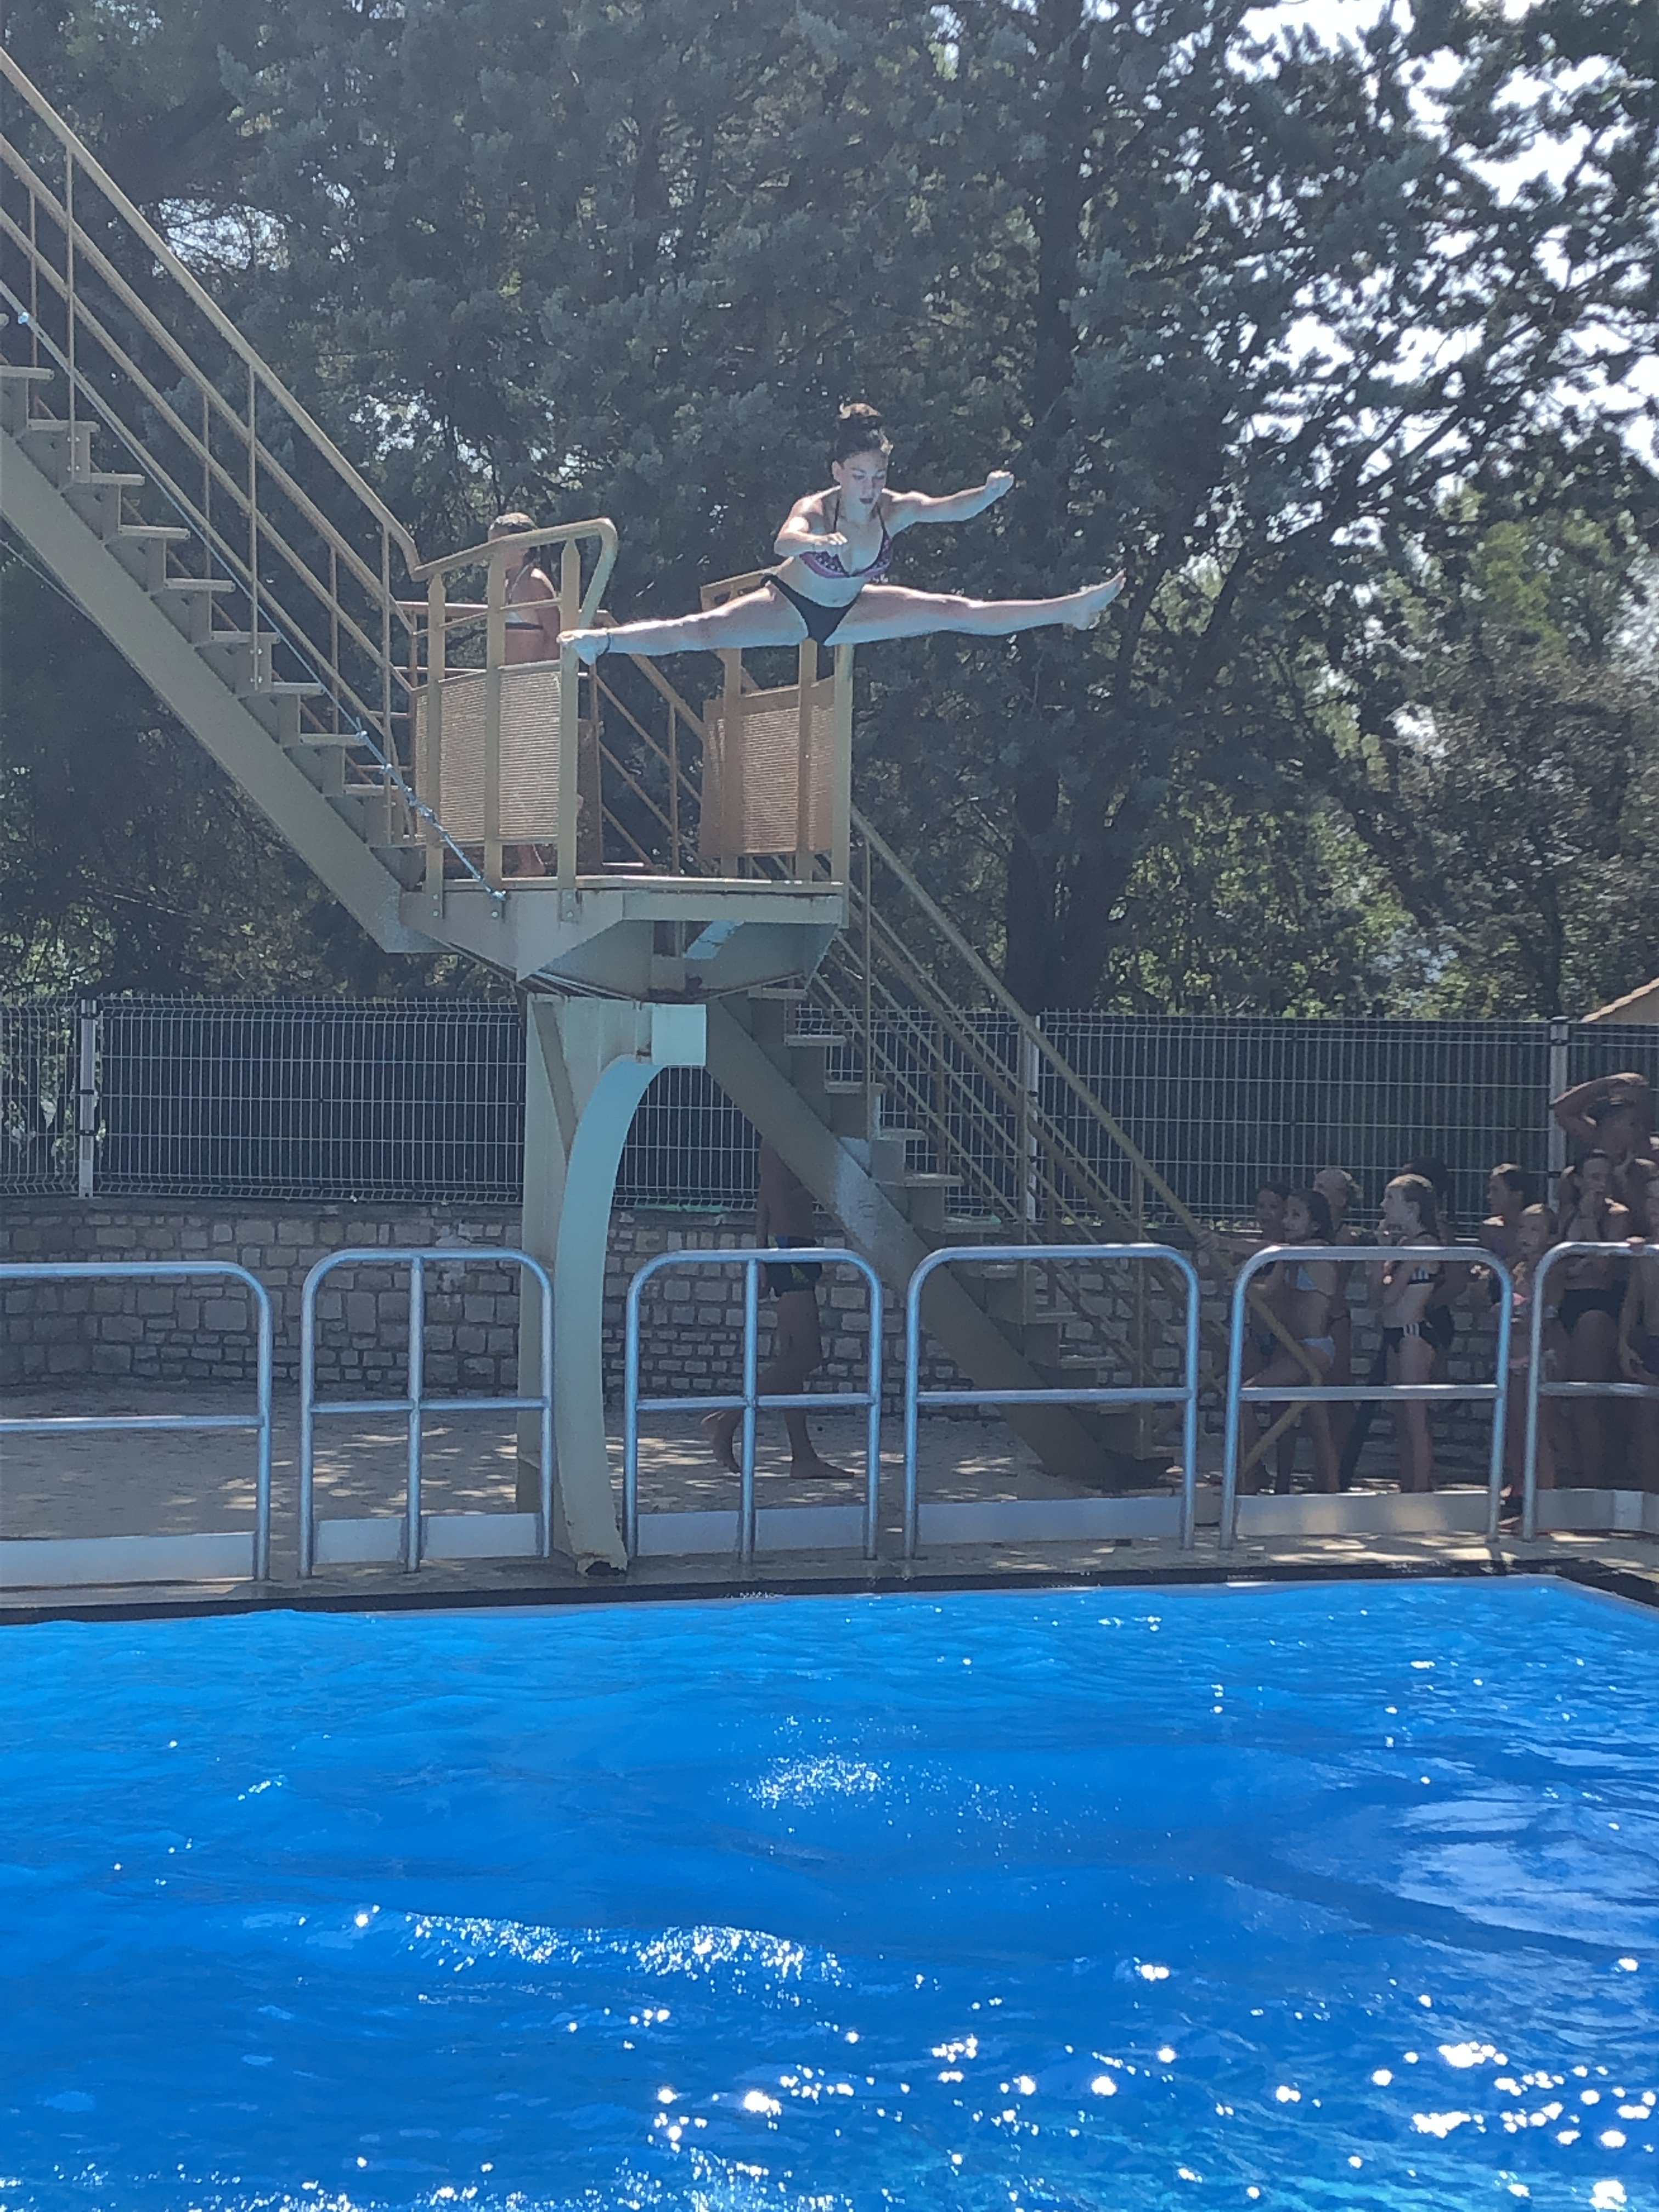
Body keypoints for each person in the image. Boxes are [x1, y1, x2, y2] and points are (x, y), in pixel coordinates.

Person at [561, 403, 1125, 662]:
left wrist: (987, 494)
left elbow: (949, 509)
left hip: (853, 612)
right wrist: (813, 543)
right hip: (789, 606)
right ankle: (605, 643)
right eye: (859, 476)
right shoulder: (817, 507)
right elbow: (784, 542)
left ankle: (1070, 609)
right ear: (838, 472)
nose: (870, 487)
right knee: (702, 631)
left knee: (956, 611)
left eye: (877, 476)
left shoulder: (894, 509)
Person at [704, 1140, 850, 1481]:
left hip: (789, 1246)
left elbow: (765, 1196)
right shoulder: (781, 1136)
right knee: (808, 1355)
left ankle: (803, 1456)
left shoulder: (784, 1134)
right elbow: (777, 1191)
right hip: (790, 1248)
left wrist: (762, 1254)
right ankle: (728, 1419)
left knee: (790, 1358)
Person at [1243, 1187, 1342, 1494]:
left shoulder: (1317, 1249)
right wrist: (1238, 1279)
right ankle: (1330, 1489)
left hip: (1314, 1348)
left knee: (1244, 1395)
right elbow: (1267, 1290)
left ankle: (1247, 1477)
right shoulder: (1288, 1255)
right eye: (1286, 1214)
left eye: (1296, 1216)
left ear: (1316, 1224)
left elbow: (1265, 1247)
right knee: (1317, 1423)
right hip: (1294, 1347)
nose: (1286, 1221)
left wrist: (1222, 1242)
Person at [1555, 1149, 1632, 1483]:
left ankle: (1595, 1481)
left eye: (1607, 1177)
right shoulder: (1568, 1213)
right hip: (1564, 1304)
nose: (1601, 1185)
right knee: (1552, 1396)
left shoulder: (1616, 1216)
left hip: (1597, 1306)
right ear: (1578, 1181)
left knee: (1588, 1398)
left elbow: (1604, 1268)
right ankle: (1574, 1470)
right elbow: (1558, 1264)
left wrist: (1589, 1222)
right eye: (1594, 1177)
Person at [1375, 1172, 1447, 1494]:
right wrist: (1383, 1251)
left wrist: (1386, 1263)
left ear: (1413, 1207)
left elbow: (1390, 1295)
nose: (1383, 1205)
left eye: (1391, 1198)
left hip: (1412, 1334)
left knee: (1416, 1419)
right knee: (1401, 1420)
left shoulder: (1425, 1245)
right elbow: (1377, 1293)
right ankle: (1408, 1489)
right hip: (1394, 1334)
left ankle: (1421, 1491)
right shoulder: (1404, 1244)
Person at [1501, 1203, 1562, 1515]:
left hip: (1538, 1359)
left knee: (1537, 1433)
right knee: (1514, 1429)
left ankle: (1545, 1505)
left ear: (1551, 1238)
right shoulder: (1516, 1269)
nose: (1526, 1235)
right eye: (1523, 1228)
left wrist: (1516, 1320)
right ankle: (1520, 1494)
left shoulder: (1552, 1270)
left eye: (1535, 1230)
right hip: (1512, 1359)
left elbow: (1547, 1315)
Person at [1552, 1070, 1659, 1210]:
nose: (1639, 1129)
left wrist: (1622, 1179)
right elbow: (1562, 1110)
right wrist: (1605, 1085)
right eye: (1633, 1123)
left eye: (1637, 1123)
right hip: (1591, 1217)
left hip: (1638, 1219)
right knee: (1570, 1177)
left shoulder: (1650, 1153)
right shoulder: (1596, 1137)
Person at [1617, 1160, 1659, 1493]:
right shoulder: (1642, 1249)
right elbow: (1632, 1301)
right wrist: (1623, 1343)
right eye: (1650, 1198)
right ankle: (1650, 1506)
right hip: (1650, 1342)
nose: (1655, 1205)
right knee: (1646, 1428)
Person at [1479, 1163, 1533, 1268]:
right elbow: (1481, 1265)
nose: (1489, 1197)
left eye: (1495, 1190)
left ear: (1517, 1195)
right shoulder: (1489, 1229)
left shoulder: (1539, 1226)